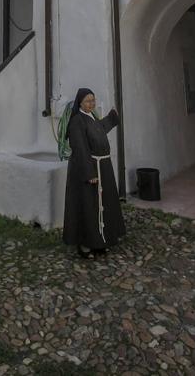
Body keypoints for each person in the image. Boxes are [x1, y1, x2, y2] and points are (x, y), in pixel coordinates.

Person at [62, 88, 126, 260]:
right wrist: (89, 172)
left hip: (103, 167)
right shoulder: (77, 121)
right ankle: (84, 244)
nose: (92, 104)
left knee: (102, 205)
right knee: (88, 207)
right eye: (88, 101)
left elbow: (100, 128)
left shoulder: (91, 118)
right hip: (89, 169)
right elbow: (80, 148)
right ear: (80, 103)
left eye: (93, 100)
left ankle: (100, 242)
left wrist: (113, 116)